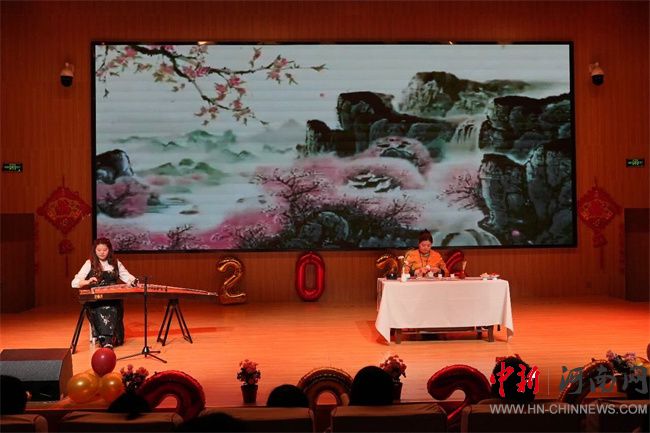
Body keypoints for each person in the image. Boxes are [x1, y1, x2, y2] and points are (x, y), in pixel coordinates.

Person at [71, 237, 137, 348]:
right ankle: (107, 341)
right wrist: (87, 281)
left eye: (105, 250)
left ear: (109, 250)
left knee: (113, 306)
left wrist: (134, 282)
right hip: (96, 300)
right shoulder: (89, 263)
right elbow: (74, 282)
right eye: (99, 250)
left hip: (113, 298)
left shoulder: (116, 263)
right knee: (103, 308)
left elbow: (128, 278)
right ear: (95, 251)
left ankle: (109, 340)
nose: (102, 252)